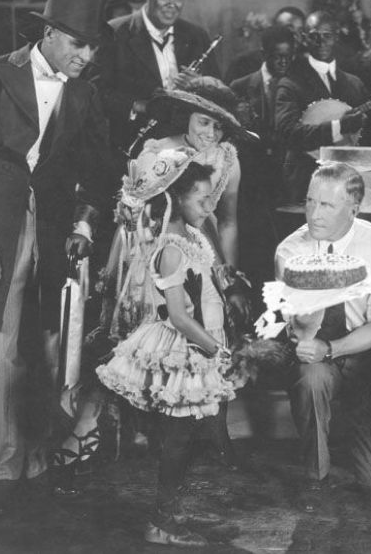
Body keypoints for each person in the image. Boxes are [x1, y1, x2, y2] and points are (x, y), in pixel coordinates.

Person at [0, 0, 113, 506]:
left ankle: (35, 454)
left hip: (52, 234)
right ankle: (5, 463)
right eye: (78, 44)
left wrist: (84, 224)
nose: (86, 56)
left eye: (93, 47)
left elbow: (98, 170)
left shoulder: (85, 93)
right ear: (49, 34)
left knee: (40, 353)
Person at [97, 153, 249, 547]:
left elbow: (206, 292)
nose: (209, 207)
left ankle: (171, 509)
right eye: (201, 199)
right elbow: (180, 317)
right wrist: (216, 350)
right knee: (180, 437)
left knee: (192, 434)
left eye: (211, 199)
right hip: (186, 349)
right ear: (176, 200)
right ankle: (160, 522)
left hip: (204, 342)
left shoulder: (194, 238)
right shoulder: (172, 248)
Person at [109, 78, 252, 467]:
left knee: (212, 329)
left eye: (219, 127)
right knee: (160, 341)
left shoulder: (227, 159)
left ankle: (214, 434)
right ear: (187, 116)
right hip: (155, 249)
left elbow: (227, 220)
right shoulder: (159, 151)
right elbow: (137, 210)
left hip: (204, 248)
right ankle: (157, 433)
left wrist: (227, 275)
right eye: (204, 122)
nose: (210, 134)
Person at [275, 163, 371, 496]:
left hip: (366, 359)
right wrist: (314, 346)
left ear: (353, 210)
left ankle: (353, 436)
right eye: (310, 201)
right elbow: (298, 329)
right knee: (312, 378)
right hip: (314, 355)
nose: (314, 214)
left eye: (327, 205)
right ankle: (315, 472)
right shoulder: (289, 250)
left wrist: (333, 349)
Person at [97, 0, 221, 169]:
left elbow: (219, 98)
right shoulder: (114, 32)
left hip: (188, 155)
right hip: (131, 154)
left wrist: (200, 86)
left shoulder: (197, 36)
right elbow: (96, 93)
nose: (172, 4)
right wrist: (143, 106)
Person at [231, 26, 296, 305]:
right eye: (277, 56)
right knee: (254, 248)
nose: (283, 62)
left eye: (288, 57)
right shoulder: (240, 86)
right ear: (263, 54)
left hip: (285, 183)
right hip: (252, 183)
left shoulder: (296, 86)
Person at [275, 11, 368, 204]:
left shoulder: (355, 83)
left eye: (327, 36)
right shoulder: (290, 83)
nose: (321, 42)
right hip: (305, 183)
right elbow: (287, 132)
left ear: (336, 37)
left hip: (349, 183)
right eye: (314, 36)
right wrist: (339, 127)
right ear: (304, 39)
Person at [224, 6, 306, 84]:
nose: (296, 36)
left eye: (300, 30)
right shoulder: (243, 63)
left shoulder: (305, 66)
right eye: (289, 29)